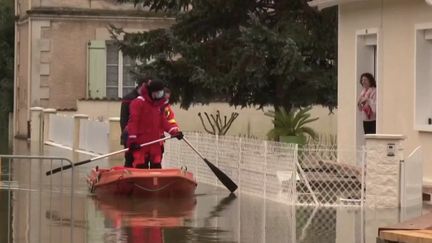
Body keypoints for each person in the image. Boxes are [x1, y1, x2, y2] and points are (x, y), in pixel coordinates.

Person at [127, 79, 183, 169]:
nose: (160, 94)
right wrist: (132, 140)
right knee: (141, 166)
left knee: (156, 166)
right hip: (141, 144)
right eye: (158, 92)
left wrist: (174, 132)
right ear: (152, 92)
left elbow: (163, 121)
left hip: (154, 143)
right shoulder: (138, 103)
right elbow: (133, 122)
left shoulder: (158, 105)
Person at [120, 76, 152, 167]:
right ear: (143, 85)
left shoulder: (149, 100)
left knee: (144, 160)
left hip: (144, 137)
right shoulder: (129, 99)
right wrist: (126, 137)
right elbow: (124, 118)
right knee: (130, 158)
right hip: (130, 135)